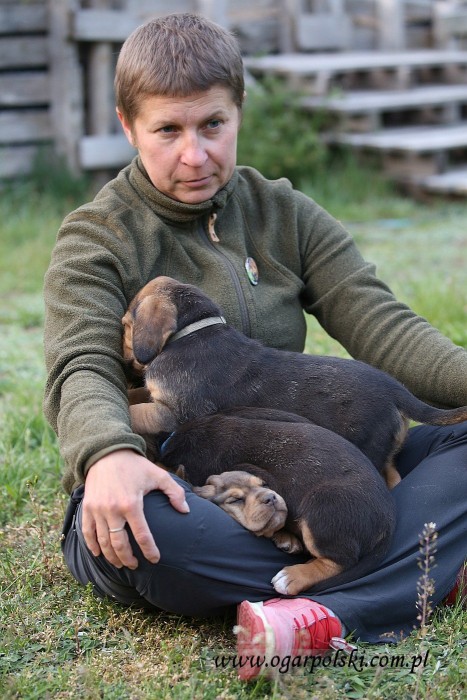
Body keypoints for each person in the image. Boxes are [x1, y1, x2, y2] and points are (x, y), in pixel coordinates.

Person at [43, 12, 466, 681]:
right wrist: (107, 454)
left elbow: (381, 325)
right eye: (168, 130)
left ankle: (317, 610)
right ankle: (420, 561)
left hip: (313, 472)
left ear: (237, 112)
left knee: (459, 440)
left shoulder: (282, 213)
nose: (195, 153)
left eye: (212, 125)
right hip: (187, 489)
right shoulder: (97, 237)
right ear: (128, 127)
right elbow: (80, 369)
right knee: (159, 541)